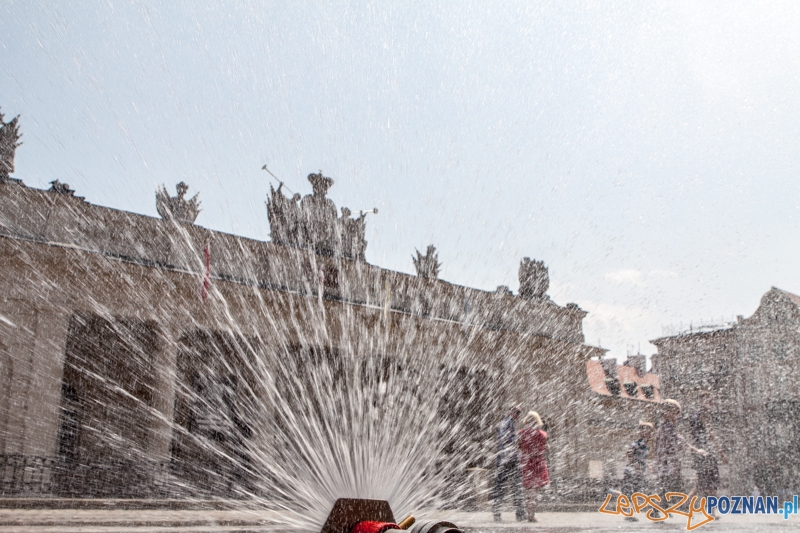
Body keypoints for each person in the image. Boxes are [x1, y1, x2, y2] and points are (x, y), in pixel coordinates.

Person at [655, 399, 706, 514]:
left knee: (667, 488)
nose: (678, 416)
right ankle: (680, 508)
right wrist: (696, 450)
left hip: (666, 464)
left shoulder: (666, 426)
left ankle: (660, 508)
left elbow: (678, 442)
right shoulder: (667, 427)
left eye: (678, 412)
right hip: (667, 465)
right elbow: (680, 442)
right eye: (676, 412)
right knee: (672, 487)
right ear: (666, 412)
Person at [687, 392, 726, 511]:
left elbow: (697, 435)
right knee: (710, 482)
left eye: (712, 401)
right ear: (702, 401)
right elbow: (710, 435)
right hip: (706, 453)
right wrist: (721, 453)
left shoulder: (695, 415)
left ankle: (688, 504)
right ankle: (710, 510)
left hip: (700, 452)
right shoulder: (703, 414)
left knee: (702, 483)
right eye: (709, 401)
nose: (711, 403)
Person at [613, 421, 654, 522]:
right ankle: (628, 514)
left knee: (633, 494)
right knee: (632, 494)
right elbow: (629, 453)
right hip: (631, 472)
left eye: (650, 432)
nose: (649, 434)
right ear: (642, 432)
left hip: (638, 473)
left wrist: (648, 465)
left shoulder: (645, 445)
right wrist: (635, 465)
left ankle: (612, 493)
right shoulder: (638, 443)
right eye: (647, 431)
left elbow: (640, 458)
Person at [493, 404, 525, 522]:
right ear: (511, 412)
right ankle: (519, 514)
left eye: (519, 413)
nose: (518, 415)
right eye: (516, 412)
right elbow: (505, 439)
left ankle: (499, 513)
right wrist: (516, 440)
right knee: (514, 486)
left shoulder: (507, 423)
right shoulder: (507, 423)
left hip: (504, 459)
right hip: (508, 459)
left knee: (502, 487)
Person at [518, 411, 549, 522]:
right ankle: (532, 514)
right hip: (538, 463)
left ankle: (528, 513)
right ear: (537, 421)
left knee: (528, 490)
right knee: (535, 491)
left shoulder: (521, 433)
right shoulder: (542, 434)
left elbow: (519, 447)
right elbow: (546, 448)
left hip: (526, 463)